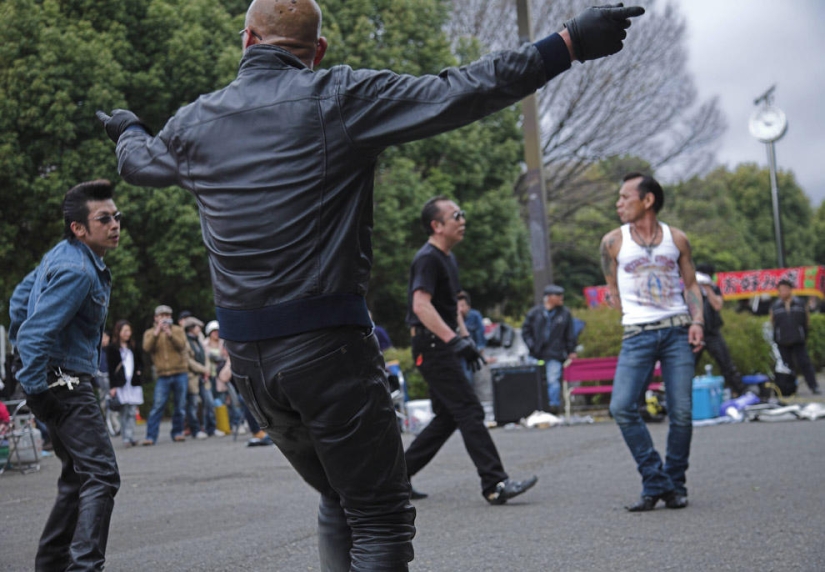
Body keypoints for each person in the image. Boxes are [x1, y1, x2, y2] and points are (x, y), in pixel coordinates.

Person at [97, 1, 644, 567]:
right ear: (319, 51)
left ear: (247, 41)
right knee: (379, 517)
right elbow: (461, 90)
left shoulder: (194, 121)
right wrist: (569, 42)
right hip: (327, 350)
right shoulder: (338, 97)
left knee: (339, 494)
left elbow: (142, 163)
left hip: (251, 364)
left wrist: (128, 129)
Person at [8, 179, 121, 570]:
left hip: (57, 380)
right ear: (79, 227)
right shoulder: (78, 271)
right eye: (104, 218)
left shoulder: (61, 256)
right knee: (102, 476)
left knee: (77, 477)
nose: (115, 224)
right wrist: (38, 388)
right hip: (66, 385)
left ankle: (51, 564)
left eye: (116, 216)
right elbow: (34, 330)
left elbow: (20, 301)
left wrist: (36, 376)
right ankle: (83, 567)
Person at [405, 196, 538, 504]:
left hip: (442, 343)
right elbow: (421, 306)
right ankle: (495, 483)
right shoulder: (427, 258)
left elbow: (451, 310)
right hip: (432, 344)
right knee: (469, 410)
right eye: (456, 215)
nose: (462, 220)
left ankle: (394, 479)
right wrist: (454, 341)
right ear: (437, 225)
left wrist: (467, 342)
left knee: (448, 416)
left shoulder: (447, 258)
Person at [600, 172, 704, 512]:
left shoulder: (677, 239)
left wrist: (697, 321)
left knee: (683, 412)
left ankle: (675, 483)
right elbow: (610, 284)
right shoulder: (612, 242)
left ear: (647, 200)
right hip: (637, 334)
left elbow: (690, 285)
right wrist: (619, 301)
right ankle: (655, 479)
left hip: (677, 330)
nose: (618, 203)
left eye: (625, 197)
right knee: (621, 406)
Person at [521, 284, 578, 414]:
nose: (561, 298)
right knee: (532, 380)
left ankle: (553, 406)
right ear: (549, 297)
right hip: (536, 353)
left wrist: (571, 350)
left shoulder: (564, 313)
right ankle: (532, 406)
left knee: (553, 379)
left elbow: (570, 334)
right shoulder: (535, 313)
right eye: (558, 295)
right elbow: (526, 331)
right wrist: (531, 345)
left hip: (555, 353)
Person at [694, 263, 747, 397]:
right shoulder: (691, 289)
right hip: (695, 334)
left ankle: (741, 392)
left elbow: (717, 305)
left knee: (726, 364)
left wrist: (707, 287)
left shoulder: (713, 288)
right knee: (687, 366)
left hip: (712, 333)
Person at [141, 304, 189, 445]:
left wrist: (170, 334)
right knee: (158, 405)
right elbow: (146, 347)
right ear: (156, 318)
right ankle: (150, 436)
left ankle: (178, 432)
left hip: (180, 372)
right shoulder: (150, 333)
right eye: (161, 316)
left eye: (167, 316)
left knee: (179, 406)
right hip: (162, 375)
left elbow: (182, 345)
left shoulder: (178, 330)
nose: (165, 319)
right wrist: (157, 333)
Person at [771, 278, 822, 395]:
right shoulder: (775, 306)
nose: (782, 292)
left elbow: (806, 321)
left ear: (790, 290)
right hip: (783, 341)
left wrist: (803, 334)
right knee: (788, 367)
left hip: (798, 340)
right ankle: (790, 389)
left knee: (805, 363)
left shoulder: (800, 304)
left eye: (784, 289)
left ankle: (813, 386)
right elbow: (773, 323)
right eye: (780, 290)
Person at [106, 319, 145, 447]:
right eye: (125, 331)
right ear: (119, 332)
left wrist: (139, 371)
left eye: (129, 330)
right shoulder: (112, 348)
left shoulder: (133, 346)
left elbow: (140, 361)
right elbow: (111, 368)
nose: (128, 333)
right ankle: (126, 438)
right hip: (121, 383)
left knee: (132, 411)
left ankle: (131, 435)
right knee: (124, 411)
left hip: (132, 382)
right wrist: (113, 386)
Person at [457, 290, 487, 386]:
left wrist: (481, 353)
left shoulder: (475, 316)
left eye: (462, 306)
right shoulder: (452, 317)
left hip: (469, 352)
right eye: (458, 306)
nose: (460, 309)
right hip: (455, 353)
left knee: (467, 378)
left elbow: (480, 335)